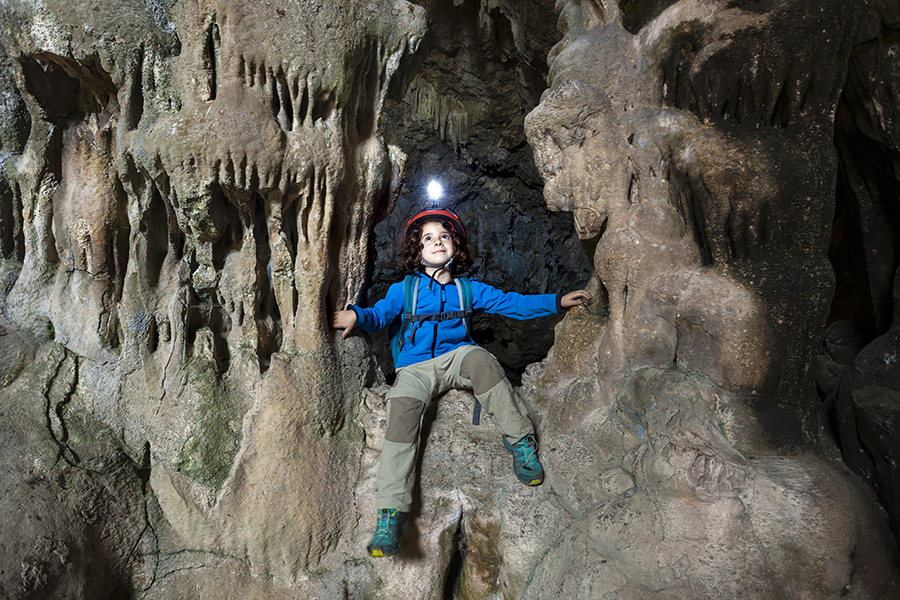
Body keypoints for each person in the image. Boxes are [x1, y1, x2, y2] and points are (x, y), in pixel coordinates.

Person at [331, 207, 591, 558]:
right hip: (415, 366)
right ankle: (390, 514)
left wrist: (557, 301)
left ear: (456, 247)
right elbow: (379, 315)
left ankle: (522, 445)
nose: (436, 241)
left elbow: (513, 304)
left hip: (458, 357)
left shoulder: (468, 290)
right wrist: (356, 315)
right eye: (427, 238)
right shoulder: (404, 289)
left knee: (483, 360)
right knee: (402, 413)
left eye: (444, 236)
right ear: (417, 251)